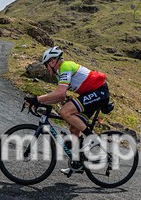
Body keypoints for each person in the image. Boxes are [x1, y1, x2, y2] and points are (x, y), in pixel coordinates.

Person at [25, 46, 109, 174]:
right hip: (93, 94)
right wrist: (40, 102)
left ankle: (92, 138)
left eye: (46, 65)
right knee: (74, 128)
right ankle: (77, 163)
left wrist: (37, 99)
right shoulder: (61, 74)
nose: (46, 68)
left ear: (52, 62)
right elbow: (60, 96)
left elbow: (60, 93)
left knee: (65, 112)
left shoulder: (65, 66)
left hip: (99, 91)